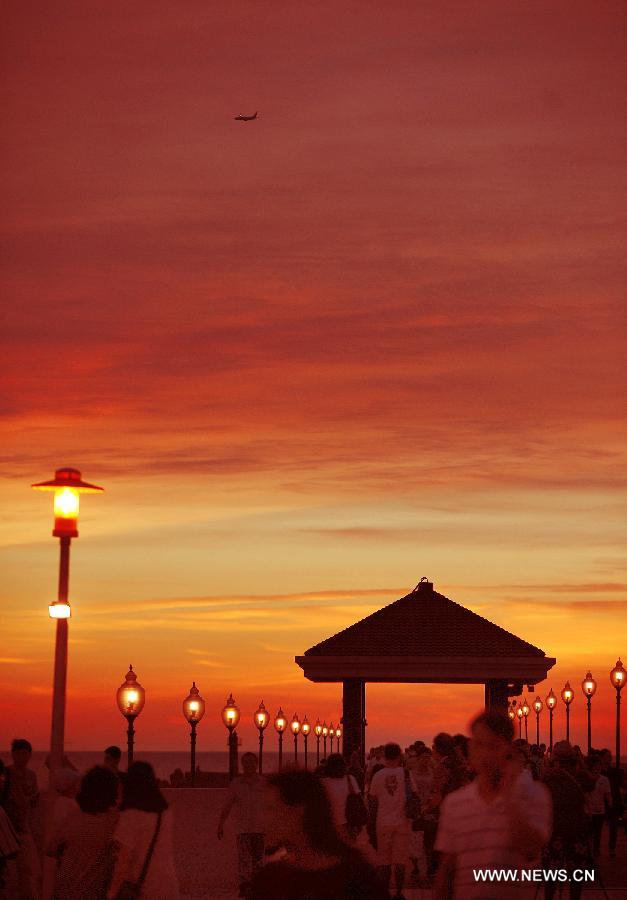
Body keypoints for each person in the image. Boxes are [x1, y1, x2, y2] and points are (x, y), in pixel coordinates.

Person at [434, 710, 551, 900]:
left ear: (508, 750)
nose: (486, 754)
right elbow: (446, 871)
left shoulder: (535, 794)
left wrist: (510, 797)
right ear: (470, 748)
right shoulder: (455, 803)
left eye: (494, 746)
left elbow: (530, 849)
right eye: (480, 745)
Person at [250, 769, 387, 899]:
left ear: (298, 811)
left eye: (271, 809)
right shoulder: (268, 879)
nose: (263, 818)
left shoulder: (356, 879)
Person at [107, 761, 179, 900]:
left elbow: (123, 862)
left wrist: (111, 893)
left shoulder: (130, 816)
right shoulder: (165, 813)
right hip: (170, 886)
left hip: (146, 890)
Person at [47, 765, 119, 899]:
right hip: (94, 892)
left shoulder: (74, 816)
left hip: (65, 890)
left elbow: (50, 848)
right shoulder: (114, 822)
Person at [541, 742, 594, 900]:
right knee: (576, 872)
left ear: (555, 758)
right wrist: (580, 762)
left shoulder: (548, 776)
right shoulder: (581, 776)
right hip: (577, 830)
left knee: (550, 873)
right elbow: (592, 784)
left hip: (554, 830)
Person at [217, 752, 265, 899]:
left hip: (259, 828)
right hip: (243, 828)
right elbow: (227, 805)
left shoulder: (263, 783)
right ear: (242, 764)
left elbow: (271, 805)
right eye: (245, 763)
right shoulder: (236, 784)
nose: (248, 765)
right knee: (244, 859)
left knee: (258, 859)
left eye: (251, 762)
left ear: (256, 764)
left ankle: (257, 886)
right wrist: (221, 824)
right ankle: (245, 886)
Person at [368, 742, 411, 900]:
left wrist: (370, 826)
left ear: (384, 756)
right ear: (399, 756)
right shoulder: (405, 774)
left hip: (383, 823)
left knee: (384, 862)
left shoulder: (377, 776)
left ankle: (384, 893)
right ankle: (399, 893)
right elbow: (412, 796)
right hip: (402, 822)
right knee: (400, 862)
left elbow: (373, 803)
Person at [4, 739, 41, 900]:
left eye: (25, 753)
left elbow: (34, 796)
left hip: (24, 827)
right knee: (10, 872)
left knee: (28, 869)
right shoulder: (6, 774)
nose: (22, 757)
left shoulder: (31, 775)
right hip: (7, 828)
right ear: (12, 754)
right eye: (18, 753)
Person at [321, 753, 365, 845]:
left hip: (330, 825)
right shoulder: (350, 779)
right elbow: (358, 798)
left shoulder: (323, 783)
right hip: (349, 824)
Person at [585, 756, 611, 856]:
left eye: (599, 766)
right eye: (595, 766)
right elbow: (585, 794)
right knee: (590, 832)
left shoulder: (605, 780)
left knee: (598, 832)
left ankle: (596, 850)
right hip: (589, 811)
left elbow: (608, 794)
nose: (597, 768)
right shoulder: (588, 779)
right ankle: (589, 850)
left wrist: (610, 804)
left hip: (600, 810)